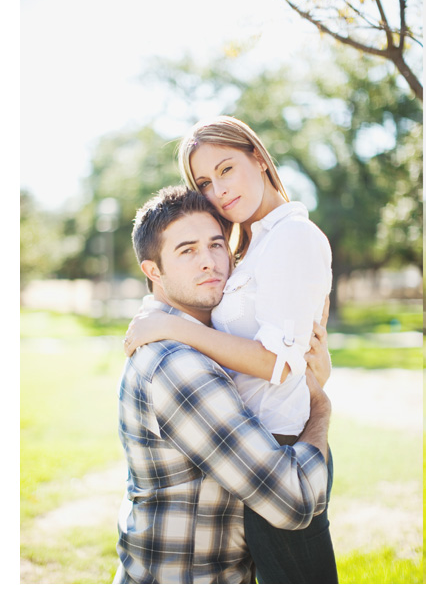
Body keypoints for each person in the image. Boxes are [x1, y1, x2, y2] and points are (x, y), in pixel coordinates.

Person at [123, 116, 337, 583]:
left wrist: (172, 328)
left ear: (259, 157)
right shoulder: (254, 247)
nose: (218, 190)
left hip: (286, 444)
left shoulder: (292, 236)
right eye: (204, 181)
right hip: (258, 448)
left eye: (226, 169)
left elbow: (276, 365)